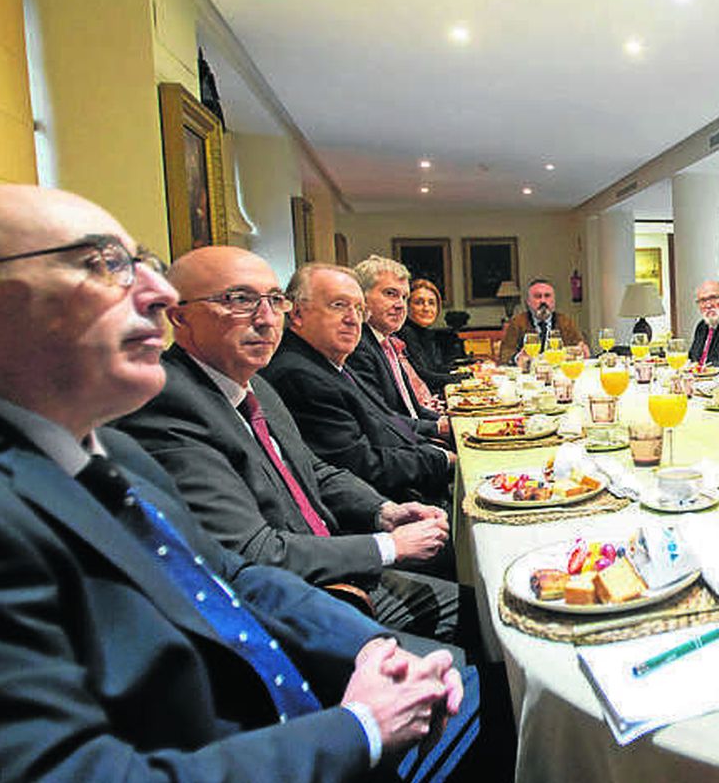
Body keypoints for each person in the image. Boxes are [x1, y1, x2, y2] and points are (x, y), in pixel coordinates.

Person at [0, 186, 475, 781]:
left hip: (297, 701)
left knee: (477, 680)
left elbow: (234, 576)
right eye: (103, 265)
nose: (160, 293)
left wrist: (371, 648)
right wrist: (360, 728)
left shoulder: (107, 445)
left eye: (140, 263)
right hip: (264, 745)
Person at [115, 246, 465, 644]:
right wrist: (388, 545)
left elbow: (313, 470)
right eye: (240, 300)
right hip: (287, 609)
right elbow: (253, 551)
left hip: (331, 567)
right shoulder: (168, 403)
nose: (265, 319)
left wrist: (384, 511)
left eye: (272, 300)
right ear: (179, 317)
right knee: (480, 638)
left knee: (483, 610)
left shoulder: (256, 383)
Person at [260, 264, 455, 506]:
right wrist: (441, 458)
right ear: (297, 314)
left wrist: (439, 434)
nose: (353, 320)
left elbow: (386, 421)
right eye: (338, 305)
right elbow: (361, 465)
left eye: (359, 309)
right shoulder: (299, 374)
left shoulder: (330, 360)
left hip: (409, 473)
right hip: (390, 503)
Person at [345, 256, 449, 442]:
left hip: (414, 437)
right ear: (361, 297)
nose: (401, 305)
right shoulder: (358, 346)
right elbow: (382, 421)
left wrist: (446, 421)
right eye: (390, 294)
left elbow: (412, 410)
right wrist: (438, 428)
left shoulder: (387, 342)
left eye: (404, 297)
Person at [398, 277, 467, 392]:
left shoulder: (425, 333)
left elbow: (435, 368)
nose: (426, 308)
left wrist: (468, 369)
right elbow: (425, 377)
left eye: (431, 303)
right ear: (407, 306)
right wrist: (468, 377)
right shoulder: (405, 333)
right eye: (419, 303)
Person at [496, 278, 587, 365]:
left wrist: (581, 350)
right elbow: (505, 354)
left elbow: (579, 346)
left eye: (547, 296)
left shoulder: (566, 322)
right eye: (537, 296)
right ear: (528, 302)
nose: (543, 301)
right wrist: (517, 357)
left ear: (553, 301)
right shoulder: (517, 323)